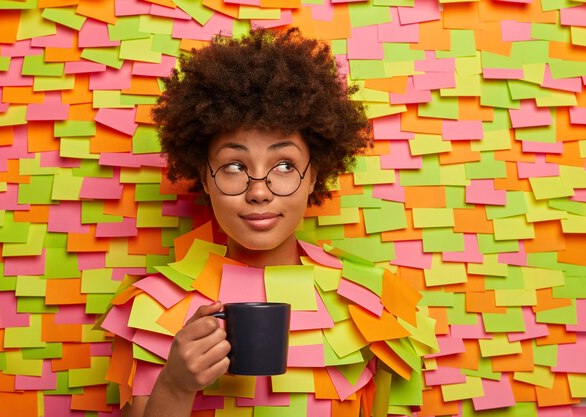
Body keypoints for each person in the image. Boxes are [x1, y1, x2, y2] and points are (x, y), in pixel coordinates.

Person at [100, 27, 427, 417]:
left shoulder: (372, 302)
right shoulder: (155, 305)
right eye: (235, 166)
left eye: (285, 165)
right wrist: (176, 384)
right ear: (204, 177)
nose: (259, 191)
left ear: (313, 176)